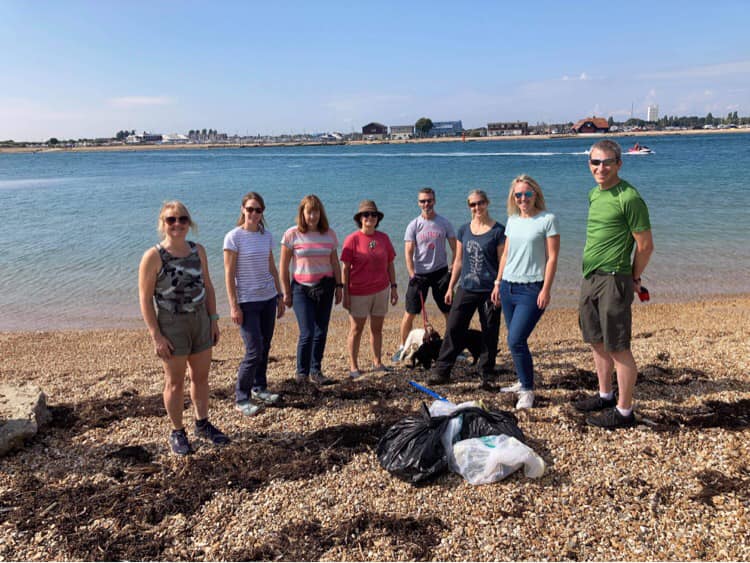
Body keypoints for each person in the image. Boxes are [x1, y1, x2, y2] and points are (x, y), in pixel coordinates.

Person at [138, 201, 229, 455]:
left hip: (200, 320)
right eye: (171, 220)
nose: (177, 224)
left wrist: (213, 319)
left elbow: (208, 286)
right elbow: (145, 300)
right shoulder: (153, 256)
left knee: (201, 378)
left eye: (182, 219)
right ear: (162, 223)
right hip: (171, 323)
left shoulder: (197, 250)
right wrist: (156, 336)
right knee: (175, 382)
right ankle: (177, 432)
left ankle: (202, 423)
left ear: (189, 223)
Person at [574, 139, 654, 428]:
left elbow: (645, 246)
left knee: (618, 346)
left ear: (619, 164)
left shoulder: (629, 197)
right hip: (590, 276)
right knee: (596, 340)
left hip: (613, 278)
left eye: (607, 161)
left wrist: (632, 277)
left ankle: (624, 412)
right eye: (595, 162)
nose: (601, 167)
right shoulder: (595, 194)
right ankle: (605, 394)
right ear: (589, 165)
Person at [491, 175, 560, 409]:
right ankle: (522, 381)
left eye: (527, 194)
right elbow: (506, 255)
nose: (523, 199)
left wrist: (546, 289)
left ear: (535, 195)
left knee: (516, 339)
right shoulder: (512, 220)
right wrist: (498, 283)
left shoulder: (547, 219)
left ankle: (528, 391)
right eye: (518, 195)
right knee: (515, 340)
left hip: (532, 289)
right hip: (509, 286)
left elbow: (552, 258)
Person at [429, 189, 505, 387]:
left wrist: (499, 285)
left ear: (487, 203)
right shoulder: (464, 230)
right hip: (466, 288)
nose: (477, 207)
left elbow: (502, 261)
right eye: (473, 204)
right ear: (469, 207)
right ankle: (442, 370)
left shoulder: (498, 231)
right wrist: (450, 287)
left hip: (490, 290)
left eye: (480, 203)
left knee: (490, 330)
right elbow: (459, 261)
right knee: (454, 327)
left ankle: (486, 370)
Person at [224, 191, 285, 417]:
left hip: (268, 298)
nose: (253, 213)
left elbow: (271, 267)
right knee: (253, 349)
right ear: (243, 210)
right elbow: (229, 275)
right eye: (250, 209)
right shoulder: (233, 237)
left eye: (258, 210)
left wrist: (279, 295)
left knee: (265, 346)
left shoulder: (266, 236)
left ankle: (260, 388)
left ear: (262, 212)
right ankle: (242, 397)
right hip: (247, 302)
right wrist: (233, 305)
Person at [279, 195, 343, 386]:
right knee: (307, 332)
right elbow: (283, 266)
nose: (312, 216)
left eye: (316, 211)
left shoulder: (329, 234)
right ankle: (302, 373)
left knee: (321, 331)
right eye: (309, 211)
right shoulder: (292, 234)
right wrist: (286, 293)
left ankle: (316, 370)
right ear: (302, 213)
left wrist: (340, 286)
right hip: (301, 289)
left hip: (326, 287)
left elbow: (334, 262)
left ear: (320, 213)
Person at [391, 187, 456, 362]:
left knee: (448, 311)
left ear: (434, 201)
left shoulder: (444, 223)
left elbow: (455, 247)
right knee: (410, 313)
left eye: (429, 200)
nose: (426, 204)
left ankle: (452, 345)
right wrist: (412, 274)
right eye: (422, 201)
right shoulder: (413, 225)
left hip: (441, 273)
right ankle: (403, 347)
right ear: (418, 203)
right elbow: (408, 251)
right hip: (419, 275)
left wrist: (452, 269)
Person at [341, 200, 398, 379]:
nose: (370, 218)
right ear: (360, 218)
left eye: (373, 215)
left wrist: (394, 287)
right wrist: (345, 293)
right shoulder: (352, 239)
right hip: (358, 293)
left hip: (381, 290)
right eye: (366, 215)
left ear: (377, 218)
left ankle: (377, 362)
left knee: (377, 328)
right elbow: (344, 268)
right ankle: (353, 366)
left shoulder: (384, 238)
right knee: (356, 329)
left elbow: (390, 264)